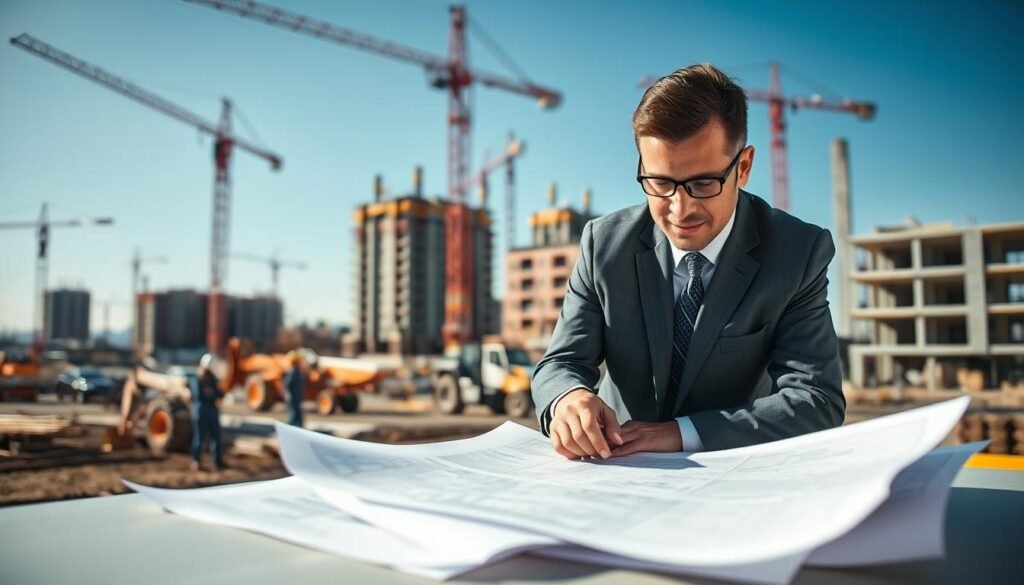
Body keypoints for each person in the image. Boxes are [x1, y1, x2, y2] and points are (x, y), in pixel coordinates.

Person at [533, 63, 845, 459]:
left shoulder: (797, 252)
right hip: (614, 470)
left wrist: (681, 434)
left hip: (731, 475)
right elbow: (560, 362)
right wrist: (568, 398)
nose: (680, 209)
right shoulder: (603, 245)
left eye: (702, 184)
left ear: (743, 168)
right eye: (660, 183)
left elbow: (816, 401)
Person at [190, 353, 225, 471]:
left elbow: (219, 394)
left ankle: (217, 461)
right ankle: (196, 461)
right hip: (201, 411)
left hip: (212, 412)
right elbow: (198, 395)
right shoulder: (198, 379)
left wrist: (213, 392)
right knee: (200, 438)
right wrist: (211, 394)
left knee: (216, 437)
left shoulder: (214, 379)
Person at [284, 350, 305, 428]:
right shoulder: (293, 372)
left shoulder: (297, 372)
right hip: (293, 398)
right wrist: (288, 395)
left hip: (297, 397)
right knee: (294, 414)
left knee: (298, 413)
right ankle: (291, 427)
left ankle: (299, 426)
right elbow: (288, 385)